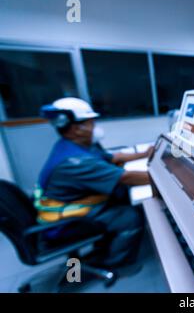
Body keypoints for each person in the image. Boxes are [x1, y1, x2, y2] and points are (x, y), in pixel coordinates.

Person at [35, 97, 154, 268]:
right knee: (130, 216)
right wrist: (168, 175)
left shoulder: (73, 145)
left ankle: (106, 245)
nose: (95, 127)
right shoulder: (76, 161)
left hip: (71, 206)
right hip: (63, 224)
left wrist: (144, 154)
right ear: (77, 129)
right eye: (91, 122)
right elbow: (126, 178)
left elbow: (114, 157)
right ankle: (114, 262)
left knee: (121, 196)